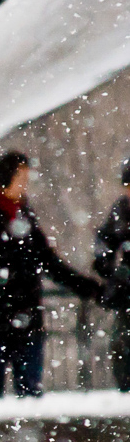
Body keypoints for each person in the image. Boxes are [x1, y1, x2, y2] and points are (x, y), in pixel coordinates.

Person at [0, 151, 100, 398]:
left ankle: (21, 434)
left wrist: (85, 286)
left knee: (21, 392)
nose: (25, 184)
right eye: (21, 177)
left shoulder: (21, 213)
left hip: (19, 316)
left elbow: (47, 260)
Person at [93, 157, 130, 391]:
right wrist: (109, 267)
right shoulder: (121, 209)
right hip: (126, 293)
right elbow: (104, 240)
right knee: (121, 344)